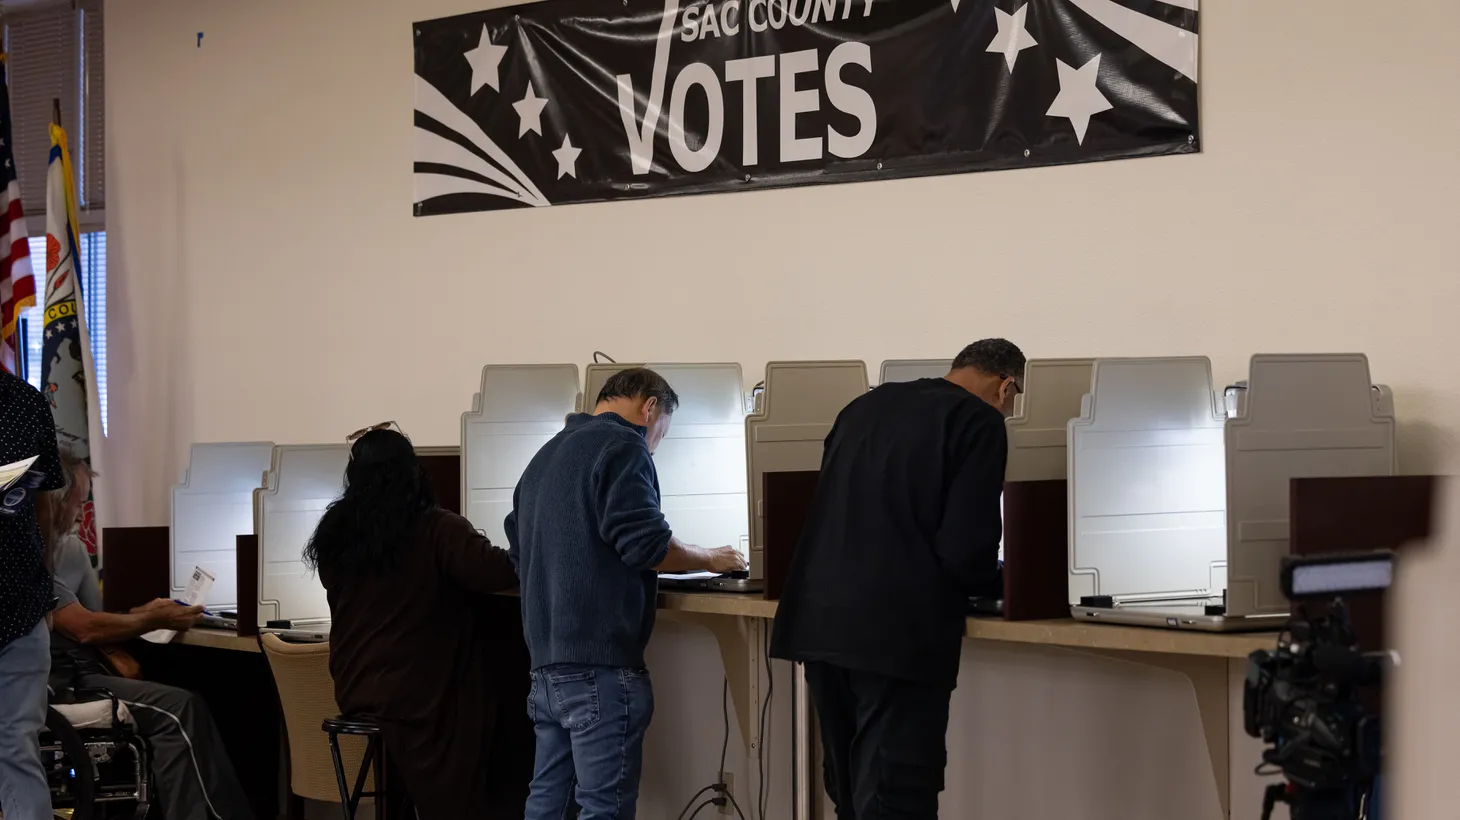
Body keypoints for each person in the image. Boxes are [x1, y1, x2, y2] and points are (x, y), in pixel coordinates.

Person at [770, 338, 1026, 820]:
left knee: (849, 790)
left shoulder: (865, 405)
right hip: (896, 634)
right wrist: (1017, 583)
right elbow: (966, 552)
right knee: (894, 792)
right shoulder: (979, 420)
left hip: (819, 621)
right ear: (1005, 385)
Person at [506, 367, 748, 820]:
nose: (656, 442)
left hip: (545, 671)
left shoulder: (543, 457)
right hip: (601, 666)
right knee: (604, 810)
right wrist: (712, 558)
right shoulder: (623, 446)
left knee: (546, 806)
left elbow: (518, 551)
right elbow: (647, 545)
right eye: (662, 433)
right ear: (650, 407)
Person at [306, 424, 531, 820]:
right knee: (504, 703)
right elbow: (500, 572)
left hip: (355, 690)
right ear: (414, 473)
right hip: (417, 698)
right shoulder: (435, 528)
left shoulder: (335, 537)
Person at [46, 445, 257, 820]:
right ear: (55, 502)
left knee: (188, 700)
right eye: (78, 504)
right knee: (180, 710)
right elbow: (82, 627)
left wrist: (143, 613)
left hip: (70, 673)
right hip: (63, 682)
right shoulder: (38, 555)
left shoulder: (54, 550)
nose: (81, 516)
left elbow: (93, 618)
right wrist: (153, 620)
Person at [0, 367, 64, 819]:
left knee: (18, 751)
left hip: (20, 607)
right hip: (22, 605)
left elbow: (44, 506)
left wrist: (45, 587)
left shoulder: (25, 402)